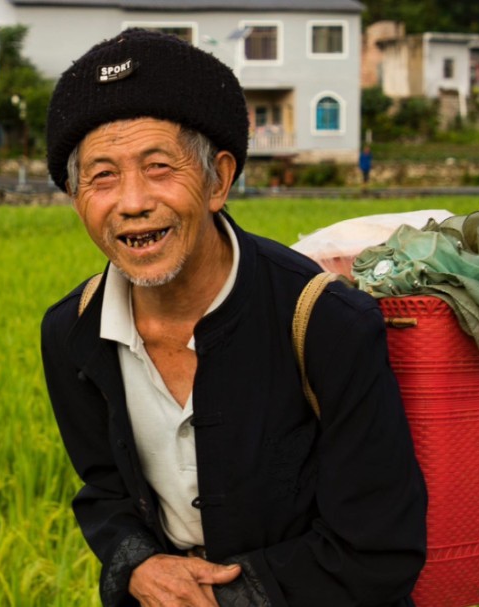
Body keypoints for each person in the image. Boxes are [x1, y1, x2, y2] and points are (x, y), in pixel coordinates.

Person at [40, 29, 426, 607]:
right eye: (102, 176)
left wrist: (222, 597)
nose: (132, 201)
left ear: (218, 180)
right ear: (77, 199)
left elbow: (378, 548)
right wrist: (140, 566)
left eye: (158, 166)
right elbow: (105, 492)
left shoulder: (326, 322)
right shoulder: (72, 332)